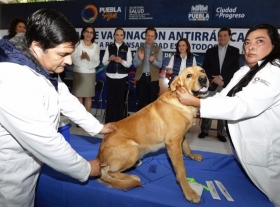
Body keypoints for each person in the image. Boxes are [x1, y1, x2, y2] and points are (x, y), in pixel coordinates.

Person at [0, 9, 113, 207]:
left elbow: (64, 99)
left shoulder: (40, 64)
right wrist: (86, 169)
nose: (69, 61)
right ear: (36, 47)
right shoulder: (12, 80)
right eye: (63, 54)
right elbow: (47, 142)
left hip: (25, 169)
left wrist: (98, 128)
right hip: (8, 177)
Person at [176, 23, 280, 207]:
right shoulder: (244, 70)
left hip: (265, 157)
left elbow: (241, 104)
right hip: (245, 153)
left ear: (274, 45)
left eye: (259, 41)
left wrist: (197, 103)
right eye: (247, 42)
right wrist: (198, 97)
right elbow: (223, 96)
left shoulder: (274, 71)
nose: (250, 47)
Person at [198, 27, 240, 142]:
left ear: (229, 37)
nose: (222, 37)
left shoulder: (235, 51)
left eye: (225, 35)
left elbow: (235, 69)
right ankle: (204, 130)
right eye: (220, 35)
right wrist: (215, 78)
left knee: (223, 109)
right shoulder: (210, 51)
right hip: (212, 84)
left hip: (225, 85)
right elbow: (205, 67)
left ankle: (221, 132)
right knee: (208, 107)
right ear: (218, 37)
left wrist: (222, 78)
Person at [102, 27, 132, 123]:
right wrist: (109, 59)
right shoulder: (109, 47)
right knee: (110, 100)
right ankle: (108, 122)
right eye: (117, 35)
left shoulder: (127, 48)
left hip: (122, 77)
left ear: (123, 37)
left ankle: (119, 123)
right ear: (114, 36)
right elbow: (104, 63)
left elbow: (129, 64)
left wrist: (122, 61)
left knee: (119, 101)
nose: (119, 37)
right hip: (110, 76)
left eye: (121, 35)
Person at [71, 25, 100, 114]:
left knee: (88, 97)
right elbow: (72, 57)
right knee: (79, 96)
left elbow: (96, 60)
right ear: (83, 33)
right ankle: (80, 118)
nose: (89, 34)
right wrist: (81, 56)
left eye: (91, 32)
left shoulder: (96, 46)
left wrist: (88, 58)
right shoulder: (77, 44)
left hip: (90, 74)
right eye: (87, 32)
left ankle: (87, 119)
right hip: (78, 73)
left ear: (93, 35)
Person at [133, 27, 163, 111]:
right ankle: (140, 123)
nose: (150, 38)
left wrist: (153, 61)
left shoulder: (158, 49)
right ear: (145, 36)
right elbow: (135, 64)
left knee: (152, 103)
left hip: (153, 79)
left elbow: (160, 65)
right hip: (141, 78)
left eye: (152, 36)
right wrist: (140, 59)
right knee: (141, 103)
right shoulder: (139, 49)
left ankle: (151, 124)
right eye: (148, 35)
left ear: (154, 37)